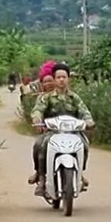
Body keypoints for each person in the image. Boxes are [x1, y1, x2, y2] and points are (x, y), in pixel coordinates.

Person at [28, 65, 93, 195]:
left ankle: (79, 173)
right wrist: (37, 120)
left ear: (68, 79)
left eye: (64, 77)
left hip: (73, 132)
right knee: (39, 145)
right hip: (52, 132)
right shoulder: (46, 97)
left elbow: (84, 111)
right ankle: (41, 177)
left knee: (84, 146)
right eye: (59, 77)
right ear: (54, 79)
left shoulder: (74, 98)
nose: (61, 80)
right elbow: (38, 110)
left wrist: (88, 121)